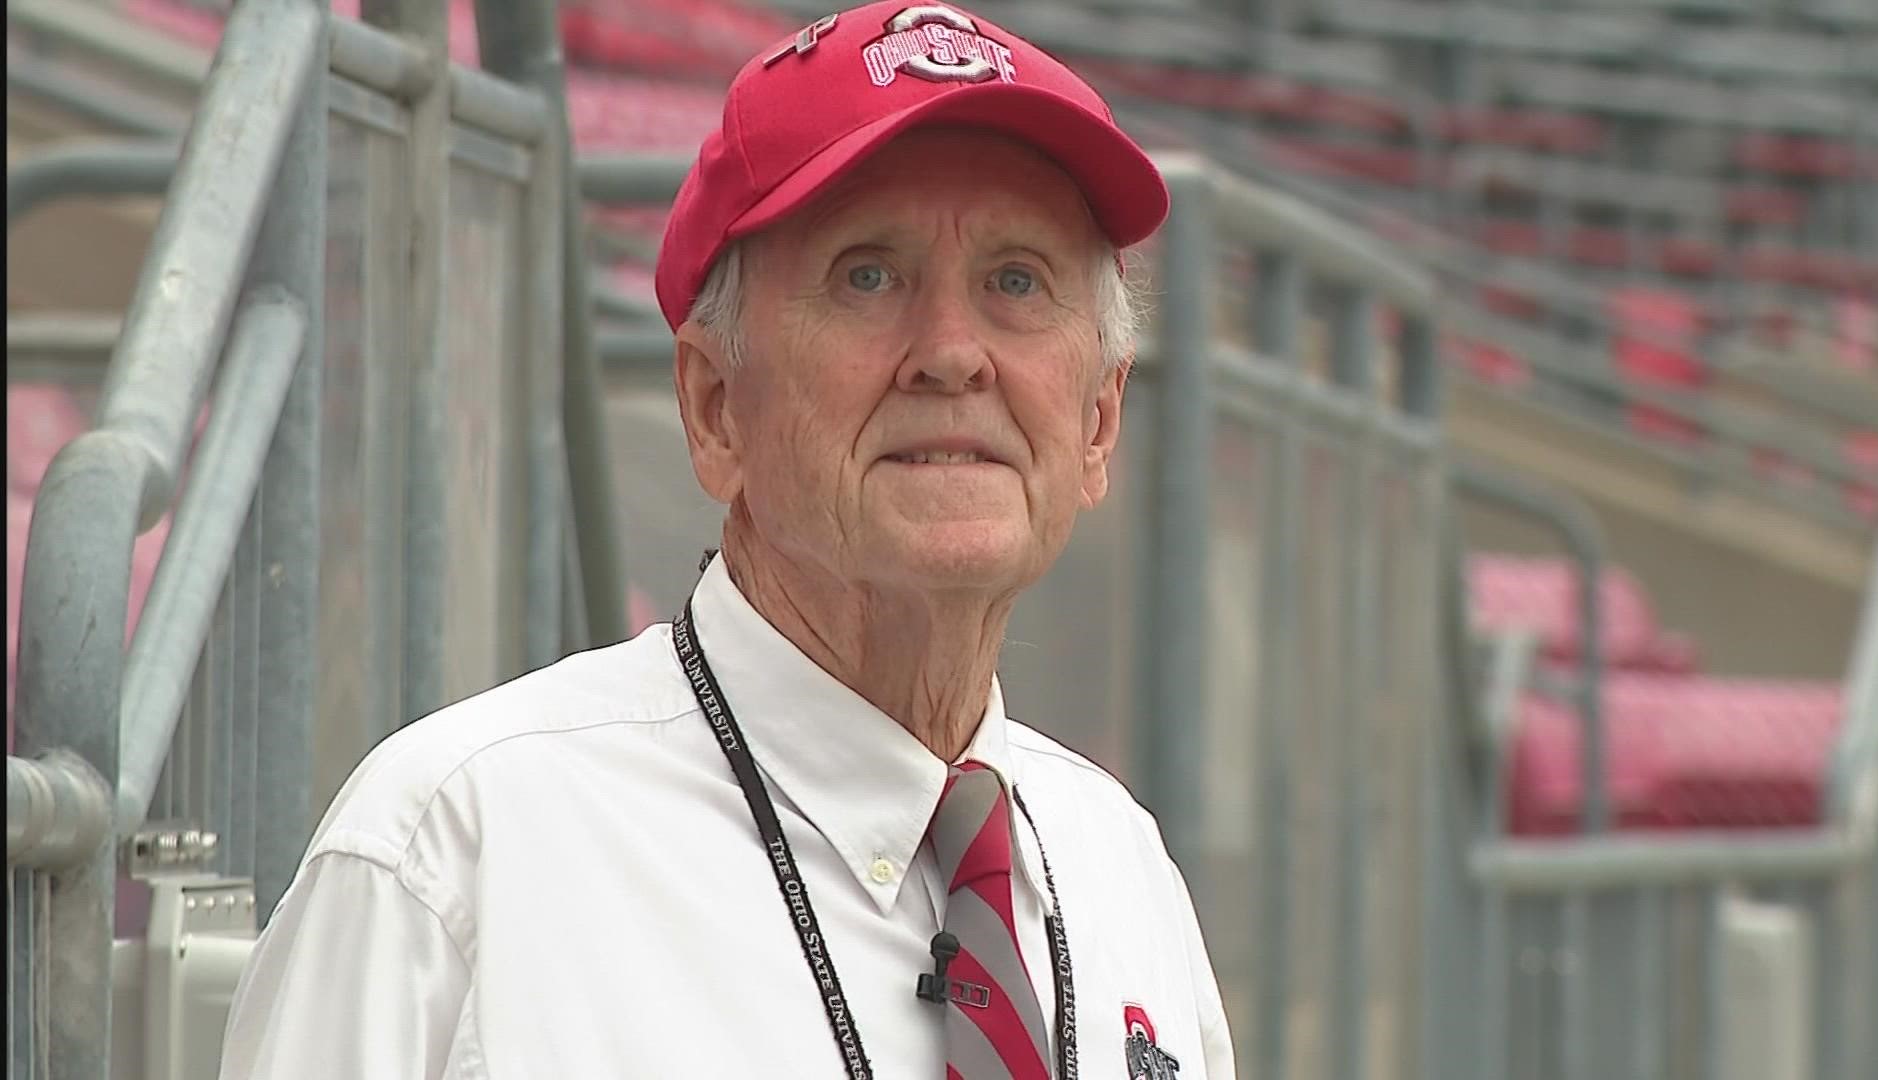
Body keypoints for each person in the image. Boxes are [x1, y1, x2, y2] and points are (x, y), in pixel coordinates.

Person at [218, 3, 1236, 1077]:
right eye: (868, 275)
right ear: (714, 407)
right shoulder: (455, 855)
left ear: (1099, 422)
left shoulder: (1122, 873)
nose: (951, 353)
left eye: (1016, 281)